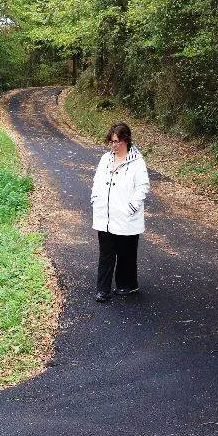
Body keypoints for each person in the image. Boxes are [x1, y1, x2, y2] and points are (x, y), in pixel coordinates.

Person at [90, 122, 150, 303]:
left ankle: (127, 285)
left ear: (126, 140)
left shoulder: (137, 162)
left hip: (126, 216)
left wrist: (131, 207)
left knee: (126, 254)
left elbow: (143, 187)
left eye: (117, 142)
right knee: (106, 253)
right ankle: (103, 290)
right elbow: (97, 181)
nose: (114, 146)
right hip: (105, 215)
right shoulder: (105, 159)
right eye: (111, 142)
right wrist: (95, 198)